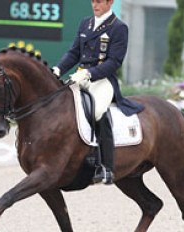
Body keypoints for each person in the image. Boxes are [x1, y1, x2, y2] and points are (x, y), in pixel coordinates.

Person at [52, 0, 143, 184]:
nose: (95, 5)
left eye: (99, 1)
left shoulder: (118, 27)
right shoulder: (85, 23)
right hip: (80, 77)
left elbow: (114, 62)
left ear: (110, 2)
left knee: (98, 110)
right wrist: (58, 69)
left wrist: (89, 73)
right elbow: (74, 53)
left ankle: (106, 166)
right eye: (93, 1)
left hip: (102, 80)